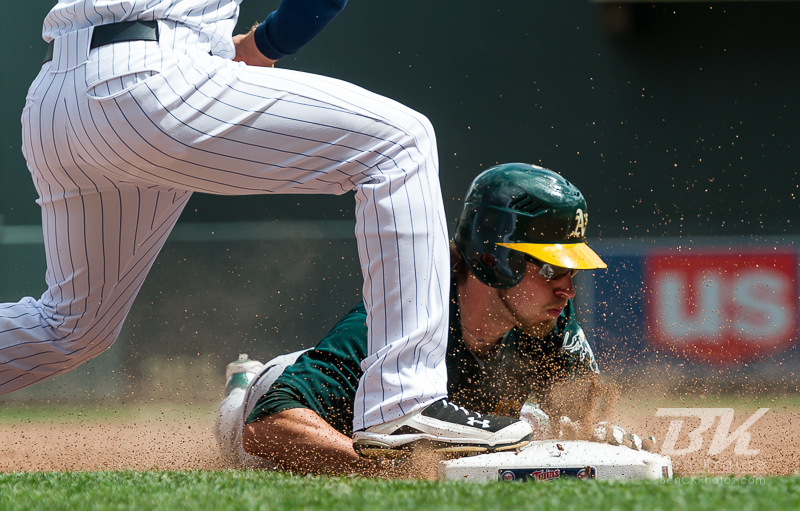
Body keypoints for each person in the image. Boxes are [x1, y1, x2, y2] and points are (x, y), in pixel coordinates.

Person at [1, 0, 530, 451]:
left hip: (56, 99)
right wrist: (265, 43)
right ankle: (405, 400)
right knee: (402, 143)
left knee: (72, 327)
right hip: (149, 79)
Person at [214, 163, 612, 475]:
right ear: (494, 260)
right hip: (283, 404)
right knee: (240, 412)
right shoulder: (398, 321)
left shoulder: (547, 318)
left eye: (572, 271)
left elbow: (586, 415)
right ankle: (241, 381)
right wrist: (385, 472)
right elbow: (267, 427)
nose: (567, 288)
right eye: (550, 269)